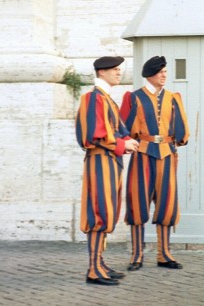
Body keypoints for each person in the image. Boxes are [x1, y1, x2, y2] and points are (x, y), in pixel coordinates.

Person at [119, 55, 190, 271]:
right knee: (138, 202)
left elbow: (182, 131)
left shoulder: (173, 98)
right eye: (160, 72)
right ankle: (137, 256)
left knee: (167, 204)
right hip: (142, 154)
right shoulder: (134, 97)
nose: (164, 76)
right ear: (150, 74)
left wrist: (179, 139)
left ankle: (164, 254)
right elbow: (123, 128)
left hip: (167, 154)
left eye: (165, 72)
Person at [75, 56, 139, 286]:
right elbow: (93, 135)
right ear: (101, 72)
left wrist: (127, 141)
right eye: (113, 69)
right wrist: (123, 144)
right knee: (99, 213)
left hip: (110, 161)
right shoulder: (94, 99)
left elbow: (119, 130)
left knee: (107, 212)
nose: (118, 72)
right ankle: (93, 269)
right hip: (100, 161)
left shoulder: (107, 99)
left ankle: (99, 263)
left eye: (118, 69)